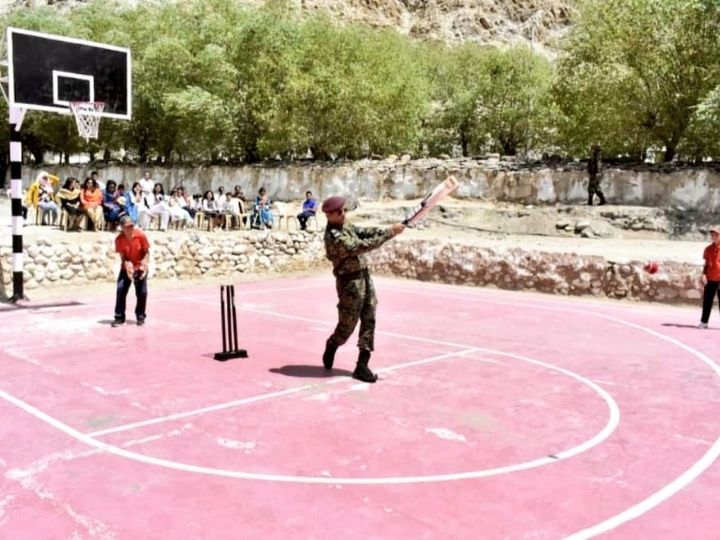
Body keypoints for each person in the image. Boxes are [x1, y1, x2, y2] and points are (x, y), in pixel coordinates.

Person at [320, 195, 406, 383]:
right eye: (339, 212)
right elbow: (360, 246)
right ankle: (333, 343)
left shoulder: (345, 226)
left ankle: (362, 365)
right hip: (349, 283)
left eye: (344, 210)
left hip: (364, 276)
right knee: (347, 325)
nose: (344, 214)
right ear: (329, 215)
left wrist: (388, 229)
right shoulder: (335, 237)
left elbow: (363, 232)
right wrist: (390, 233)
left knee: (369, 317)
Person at [113, 215, 150, 327]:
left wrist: (144, 264)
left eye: (131, 226)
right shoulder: (119, 240)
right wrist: (127, 265)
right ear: (122, 228)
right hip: (127, 268)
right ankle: (119, 317)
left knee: (142, 292)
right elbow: (123, 257)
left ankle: (140, 316)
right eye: (127, 227)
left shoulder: (141, 235)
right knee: (120, 289)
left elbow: (147, 252)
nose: (130, 229)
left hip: (140, 266)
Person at [699, 226, 720, 329]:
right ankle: (704, 322)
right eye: (712, 235)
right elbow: (706, 264)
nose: (714, 236)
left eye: (716, 234)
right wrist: (704, 275)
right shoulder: (708, 249)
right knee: (707, 300)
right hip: (711, 278)